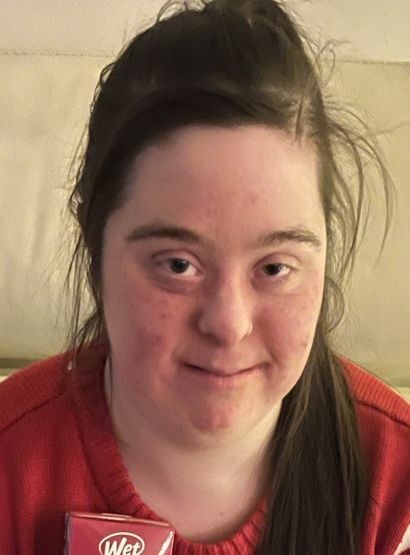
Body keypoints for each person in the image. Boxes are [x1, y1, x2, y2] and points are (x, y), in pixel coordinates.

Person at [0, 0, 409, 553]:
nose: (229, 323)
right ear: (93, 243)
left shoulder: (396, 485)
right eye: (178, 265)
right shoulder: (11, 465)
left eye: (274, 267)